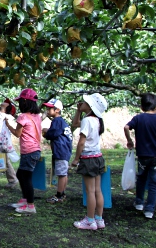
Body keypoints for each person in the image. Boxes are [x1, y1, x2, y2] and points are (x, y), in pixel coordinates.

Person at [124, 93, 156, 219]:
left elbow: (126, 127)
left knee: (141, 178)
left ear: (141, 106)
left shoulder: (138, 118)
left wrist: (129, 140)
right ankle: (149, 210)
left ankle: (139, 202)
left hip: (143, 154)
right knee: (154, 182)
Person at [70, 93, 108, 230]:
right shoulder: (96, 120)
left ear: (90, 106)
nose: (82, 103)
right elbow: (75, 124)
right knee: (98, 190)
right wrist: (78, 111)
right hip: (98, 157)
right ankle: (99, 219)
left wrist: (76, 159)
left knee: (90, 191)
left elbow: (81, 143)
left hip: (88, 158)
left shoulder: (87, 121)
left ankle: (90, 221)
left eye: (85, 102)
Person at [5, 88, 42, 214]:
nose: (19, 103)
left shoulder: (22, 116)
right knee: (21, 175)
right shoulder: (37, 116)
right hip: (35, 150)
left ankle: (30, 205)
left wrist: (8, 125)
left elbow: (17, 133)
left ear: (25, 102)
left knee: (26, 178)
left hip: (29, 151)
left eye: (20, 101)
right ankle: (25, 199)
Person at [42, 98, 73, 204]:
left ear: (57, 110)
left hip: (61, 150)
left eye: (49, 108)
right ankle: (62, 193)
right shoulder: (62, 122)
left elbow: (52, 134)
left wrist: (46, 131)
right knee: (64, 173)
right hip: (65, 151)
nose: (47, 110)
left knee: (61, 174)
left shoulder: (57, 121)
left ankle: (59, 195)